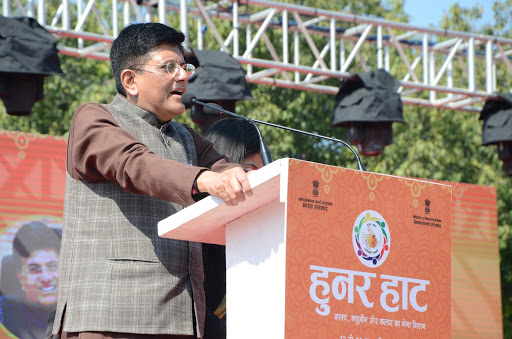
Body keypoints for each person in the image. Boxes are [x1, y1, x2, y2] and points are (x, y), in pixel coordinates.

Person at [52, 23, 253, 339]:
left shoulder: (186, 137)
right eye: (169, 67)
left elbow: (225, 168)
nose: (183, 76)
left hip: (183, 321)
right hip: (111, 319)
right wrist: (206, 180)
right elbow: (135, 164)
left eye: (184, 67)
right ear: (130, 80)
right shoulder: (95, 119)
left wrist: (247, 179)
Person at [201, 117, 266, 338]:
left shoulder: (264, 234)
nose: (258, 179)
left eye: (263, 170)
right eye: (249, 169)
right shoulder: (194, 231)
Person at [0, 221, 61, 339]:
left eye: (52, 266)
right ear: (20, 276)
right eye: (34, 269)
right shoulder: (3, 313)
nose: (45, 278)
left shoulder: (77, 309)